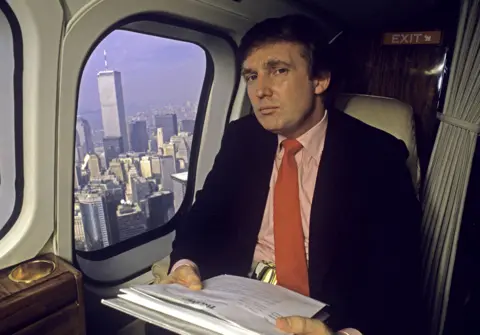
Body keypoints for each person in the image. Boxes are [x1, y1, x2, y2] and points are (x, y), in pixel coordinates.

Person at [154, 14, 425, 335]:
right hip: (237, 295)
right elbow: (202, 217)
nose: (260, 91)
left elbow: (396, 274)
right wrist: (186, 264)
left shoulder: (376, 154)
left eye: (278, 71)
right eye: (251, 76)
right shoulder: (243, 137)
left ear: (320, 79)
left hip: (326, 311)